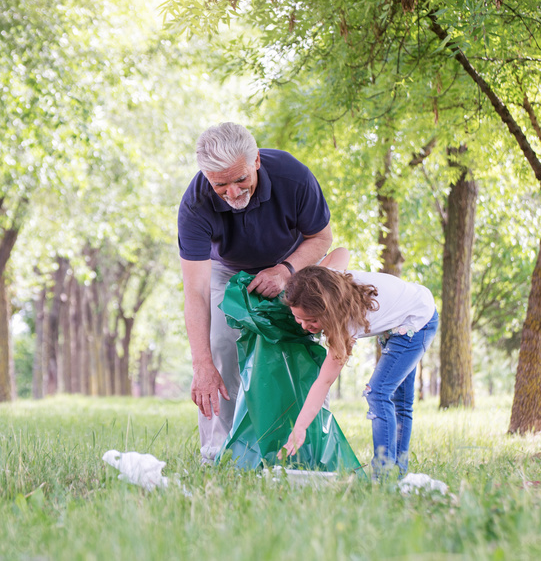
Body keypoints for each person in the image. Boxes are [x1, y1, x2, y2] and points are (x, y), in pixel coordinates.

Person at [178, 122, 333, 460]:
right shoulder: (195, 204)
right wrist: (201, 364)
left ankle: (302, 449)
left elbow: (322, 238)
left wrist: (285, 270)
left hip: (291, 262)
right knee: (220, 346)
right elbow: (197, 290)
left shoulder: (294, 177)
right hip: (227, 270)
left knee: (299, 342)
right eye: (220, 185)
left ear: (257, 161)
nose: (233, 193)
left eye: (240, 179)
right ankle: (220, 453)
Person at [281, 248, 438, 477]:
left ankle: (384, 474)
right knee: (397, 398)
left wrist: (300, 427)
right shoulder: (328, 281)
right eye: (298, 318)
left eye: (312, 320)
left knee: (379, 393)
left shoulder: (346, 323)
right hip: (400, 315)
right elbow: (341, 252)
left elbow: (324, 382)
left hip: (418, 321)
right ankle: (396, 473)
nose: (304, 326)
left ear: (328, 310)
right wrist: (308, 280)